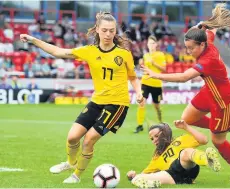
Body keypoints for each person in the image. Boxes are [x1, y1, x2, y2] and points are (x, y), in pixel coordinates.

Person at [20, 12, 143, 183]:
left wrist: (138, 92)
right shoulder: (89, 51)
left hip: (117, 104)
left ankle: (76, 175)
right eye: (105, 30)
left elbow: (133, 77)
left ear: (115, 32)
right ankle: (70, 163)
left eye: (112, 31)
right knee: (72, 137)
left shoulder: (124, 54)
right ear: (97, 30)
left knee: (88, 140)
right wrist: (34, 40)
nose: (108, 34)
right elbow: (58, 51)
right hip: (96, 101)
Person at [142, 3, 230, 182]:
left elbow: (184, 77)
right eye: (187, 48)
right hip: (209, 91)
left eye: (192, 48)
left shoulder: (208, 59)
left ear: (202, 44)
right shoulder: (207, 41)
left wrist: (156, 75)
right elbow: (211, 31)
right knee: (188, 118)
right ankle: (219, 125)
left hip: (224, 100)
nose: (189, 52)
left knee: (217, 141)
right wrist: (204, 24)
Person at [127, 120, 221, 188]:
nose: (154, 140)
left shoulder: (180, 140)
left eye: (156, 136)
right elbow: (145, 172)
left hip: (188, 167)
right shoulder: (156, 157)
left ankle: (208, 160)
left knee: (185, 153)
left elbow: (204, 140)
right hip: (172, 176)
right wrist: (132, 176)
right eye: (152, 139)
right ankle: (150, 184)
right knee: (140, 177)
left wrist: (186, 127)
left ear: (165, 133)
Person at [134, 35, 166, 133]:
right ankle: (139, 125)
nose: (151, 45)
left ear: (156, 44)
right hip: (145, 82)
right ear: (147, 45)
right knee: (141, 102)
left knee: (157, 106)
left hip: (156, 83)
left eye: (153, 43)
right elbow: (144, 69)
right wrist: (141, 65)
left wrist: (154, 63)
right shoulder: (146, 55)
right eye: (149, 43)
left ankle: (161, 122)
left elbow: (164, 69)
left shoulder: (160, 55)